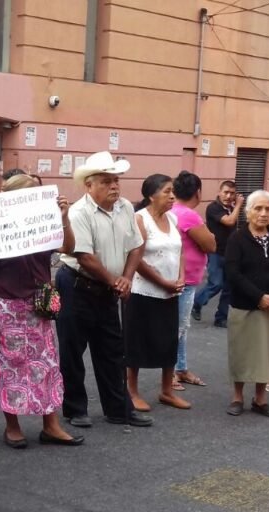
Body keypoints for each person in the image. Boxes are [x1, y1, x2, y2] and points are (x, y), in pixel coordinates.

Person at [0, 174, 82, 448]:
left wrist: (64, 218)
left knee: (46, 365)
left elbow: (68, 248)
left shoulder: (42, 226)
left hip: (38, 307)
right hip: (6, 308)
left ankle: (51, 425)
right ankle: (12, 425)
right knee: (9, 367)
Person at [56, 151, 154, 428]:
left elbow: (136, 245)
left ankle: (118, 408)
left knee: (112, 349)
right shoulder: (79, 212)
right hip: (77, 285)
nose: (114, 186)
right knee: (72, 349)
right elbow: (84, 256)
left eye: (116, 180)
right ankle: (75, 409)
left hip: (108, 288)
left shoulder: (125, 208)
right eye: (106, 181)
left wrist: (126, 278)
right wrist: (115, 280)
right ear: (89, 185)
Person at [224, 190, 269, 418]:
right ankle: (237, 397)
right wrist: (258, 297)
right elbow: (233, 273)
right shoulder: (237, 239)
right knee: (242, 351)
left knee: (268, 351)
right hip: (245, 305)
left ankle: (261, 398)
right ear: (248, 212)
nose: (264, 213)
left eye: (268, 209)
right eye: (258, 208)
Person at [125, 174, 188, 411]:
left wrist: (181, 277)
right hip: (144, 292)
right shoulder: (140, 219)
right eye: (166, 191)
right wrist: (162, 282)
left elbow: (180, 251)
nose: (172, 196)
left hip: (170, 292)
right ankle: (132, 391)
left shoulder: (172, 218)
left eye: (173, 191)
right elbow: (136, 259)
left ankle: (167, 391)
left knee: (169, 341)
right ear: (151, 196)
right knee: (137, 342)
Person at [171, 171, 216, 389]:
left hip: (178, 278)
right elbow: (210, 245)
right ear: (198, 192)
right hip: (185, 279)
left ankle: (180, 367)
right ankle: (171, 372)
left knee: (182, 327)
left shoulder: (170, 210)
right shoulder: (189, 215)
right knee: (178, 328)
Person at [192, 180, 241, 328]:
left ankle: (221, 318)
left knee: (229, 287)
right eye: (226, 192)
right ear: (219, 192)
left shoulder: (231, 208)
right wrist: (238, 205)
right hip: (215, 253)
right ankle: (196, 303)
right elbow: (229, 222)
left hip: (230, 254)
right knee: (216, 284)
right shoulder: (213, 208)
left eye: (232, 193)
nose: (228, 196)